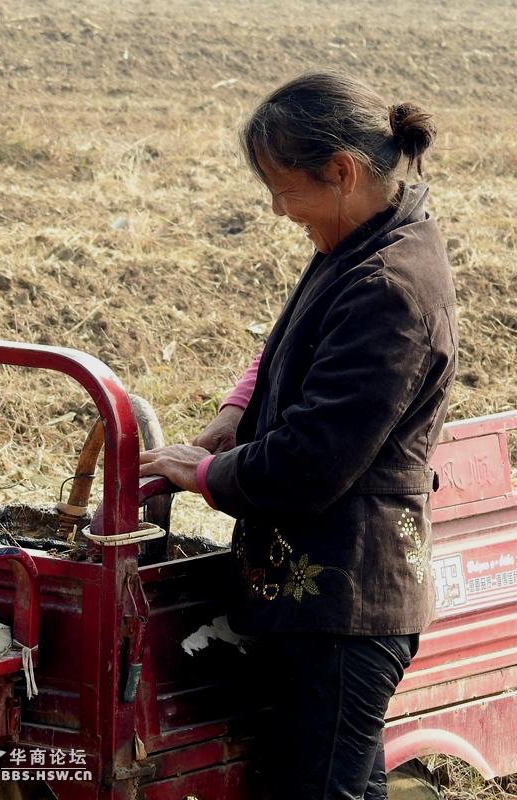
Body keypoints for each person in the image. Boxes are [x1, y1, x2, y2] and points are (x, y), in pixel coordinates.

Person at [140, 71, 457, 800]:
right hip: (322, 595)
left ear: (341, 172)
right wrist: (234, 411)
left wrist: (205, 474)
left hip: (347, 601)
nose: (281, 211)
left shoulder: (390, 285)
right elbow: (294, 343)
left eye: (286, 190)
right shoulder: (360, 241)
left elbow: (312, 460)